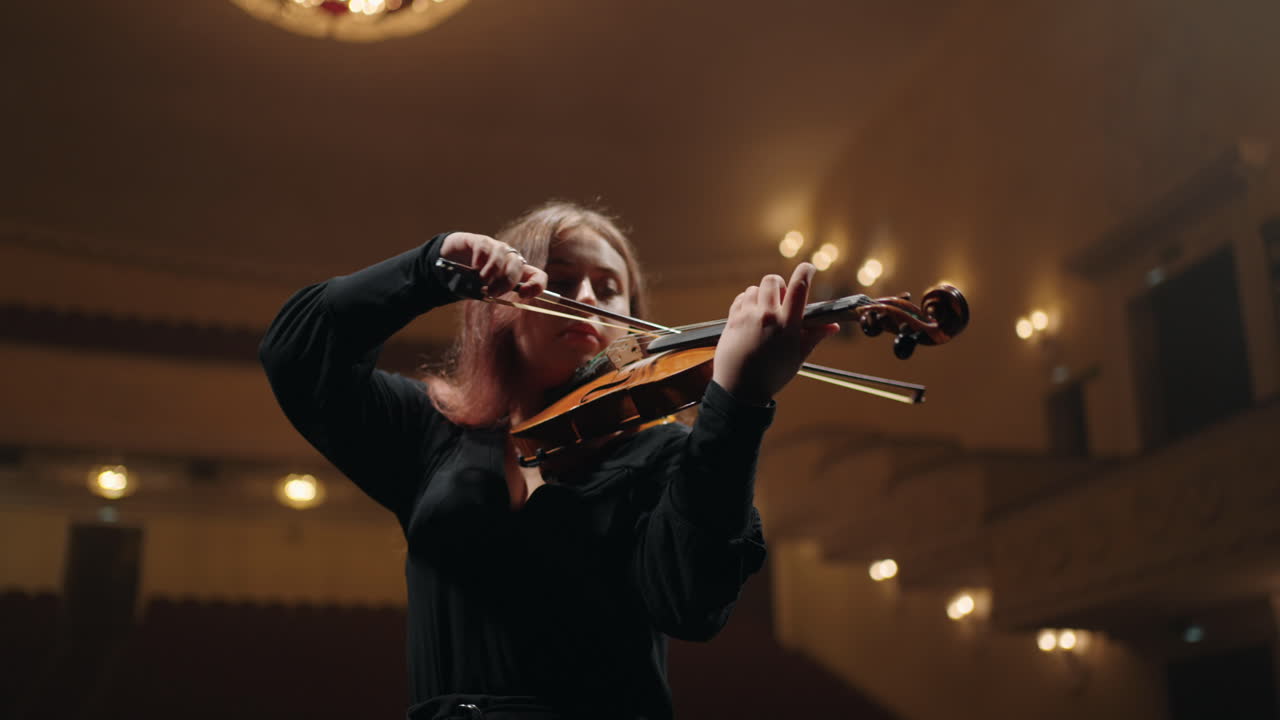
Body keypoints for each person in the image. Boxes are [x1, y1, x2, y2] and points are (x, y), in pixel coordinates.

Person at [259, 201, 837, 720]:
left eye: (609, 288)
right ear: (500, 307)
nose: (587, 299)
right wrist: (428, 269)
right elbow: (296, 353)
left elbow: (692, 605)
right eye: (563, 281)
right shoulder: (430, 435)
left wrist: (737, 402)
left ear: (631, 320)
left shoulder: (664, 455)